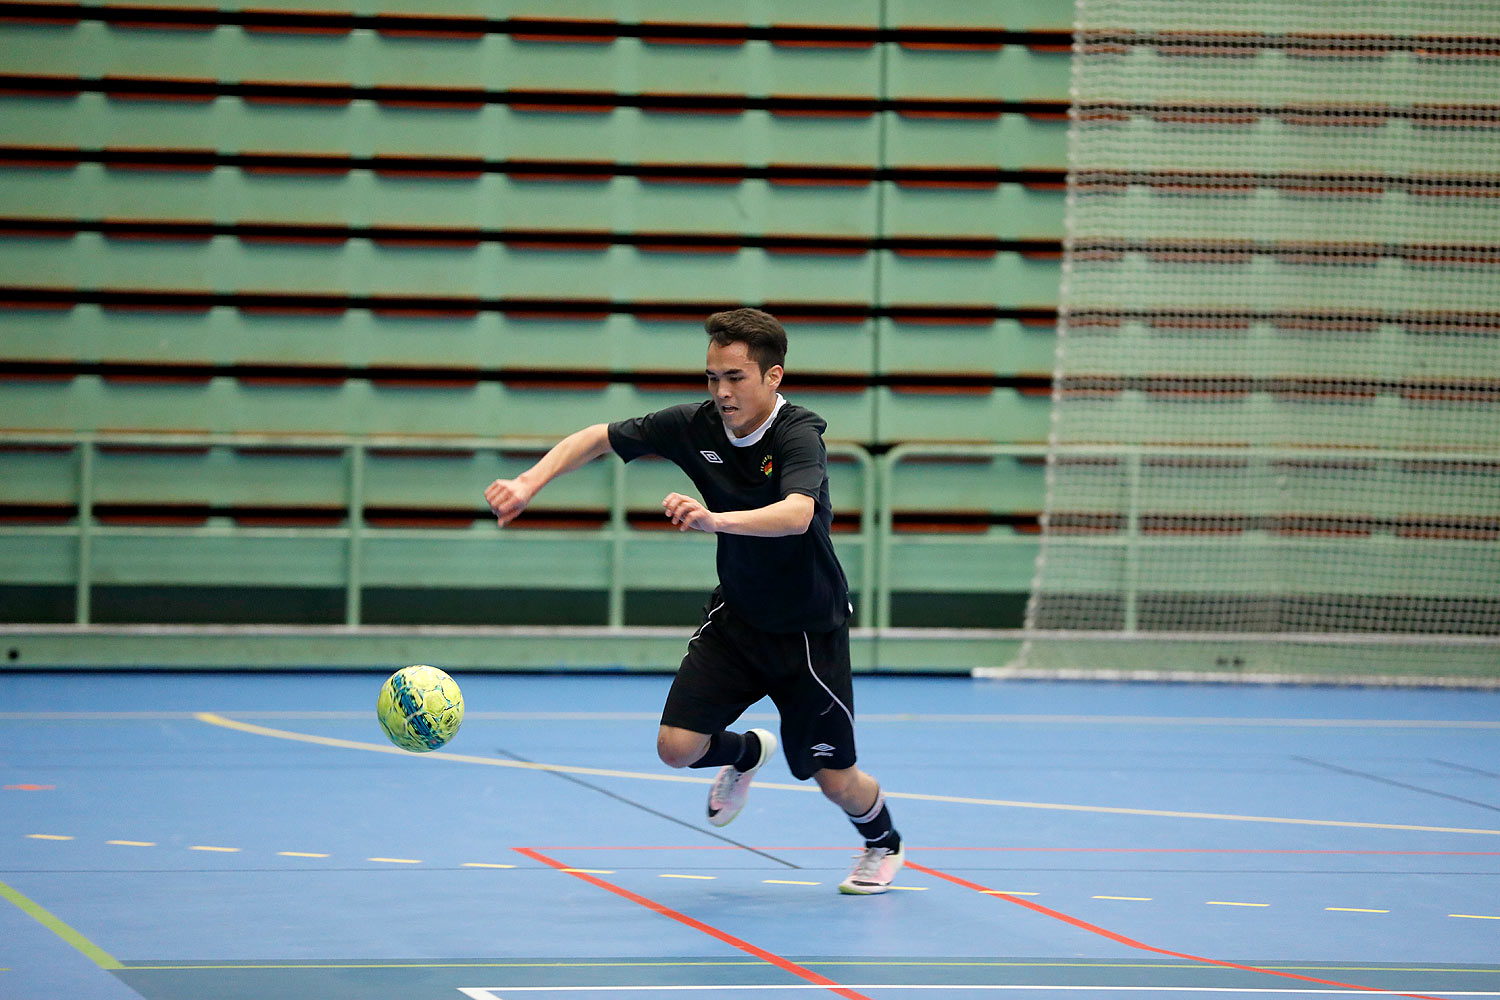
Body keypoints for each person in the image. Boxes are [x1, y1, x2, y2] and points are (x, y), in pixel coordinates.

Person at [484, 308, 904, 894]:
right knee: (676, 748)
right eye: (712, 376)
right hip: (738, 618)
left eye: (735, 377)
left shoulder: (797, 432)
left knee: (835, 780)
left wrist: (713, 520)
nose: (722, 391)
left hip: (809, 633)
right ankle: (745, 752)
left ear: (773, 377)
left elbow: (796, 515)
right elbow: (596, 437)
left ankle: (882, 842)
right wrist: (529, 482)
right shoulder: (695, 424)